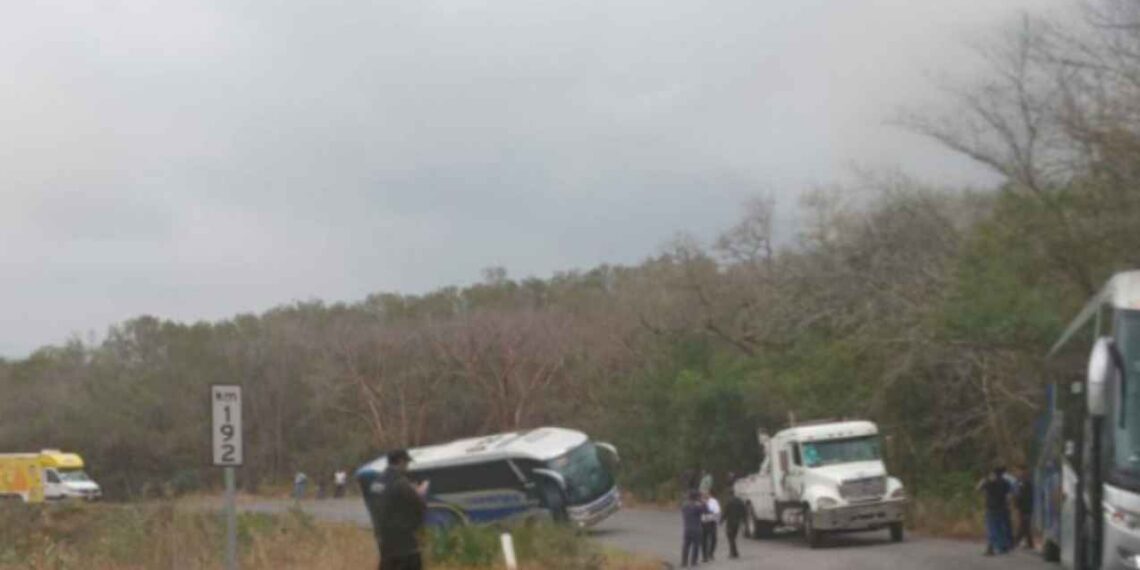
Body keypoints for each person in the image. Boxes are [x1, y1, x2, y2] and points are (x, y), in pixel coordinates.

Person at [375, 450, 429, 570]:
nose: (407, 467)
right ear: (400, 462)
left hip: (385, 542)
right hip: (406, 544)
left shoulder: (377, 483)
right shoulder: (401, 483)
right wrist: (420, 493)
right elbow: (419, 505)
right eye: (406, 463)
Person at [977, 466, 1013, 555]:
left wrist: (984, 480)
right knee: (1000, 527)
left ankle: (991, 547)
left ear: (993, 473)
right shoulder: (1006, 482)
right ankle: (1003, 546)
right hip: (1002, 507)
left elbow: (978, 489)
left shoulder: (989, 482)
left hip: (991, 507)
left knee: (992, 528)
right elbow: (1009, 494)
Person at [680, 490, 706, 568]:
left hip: (687, 528)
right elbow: (706, 510)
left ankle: (684, 562)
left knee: (686, 545)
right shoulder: (697, 507)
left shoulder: (684, 506)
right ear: (697, 497)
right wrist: (702, 501)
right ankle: (693, 562)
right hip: (696, 528)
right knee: (696, 546)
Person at [1013, 466, 1035, 549]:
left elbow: (1026, 497)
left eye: (1022, 472)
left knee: (1023, 525)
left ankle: (1017, 541)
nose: (1020, 474)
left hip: (1026, 507)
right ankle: (1029, 543)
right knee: (1025, 525)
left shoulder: (1028, 483)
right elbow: (1017, 495)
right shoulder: (1019, 482)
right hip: (1022, 507)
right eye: (1019, 472)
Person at [723, 491, 747, 559]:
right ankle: (734, 552)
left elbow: (725, 512)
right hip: (737, 522)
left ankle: (733, 553)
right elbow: (744, 510)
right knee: (733, 537)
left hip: (730, 523)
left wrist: (721, 520)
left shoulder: (728, 502)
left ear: (729, 495)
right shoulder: (740, 501)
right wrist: (744, 519)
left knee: (730, 538)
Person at [701, 491, 721, 562]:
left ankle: (711, 553)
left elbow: (717, 511)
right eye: (704, 495)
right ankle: (705, 556)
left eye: (707, 494)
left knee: (714, 539)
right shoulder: (701, 503)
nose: (705, 496)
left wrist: (716, 519)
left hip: (712, 523)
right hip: (703, 523)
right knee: (704, 540)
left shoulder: (714, 501)